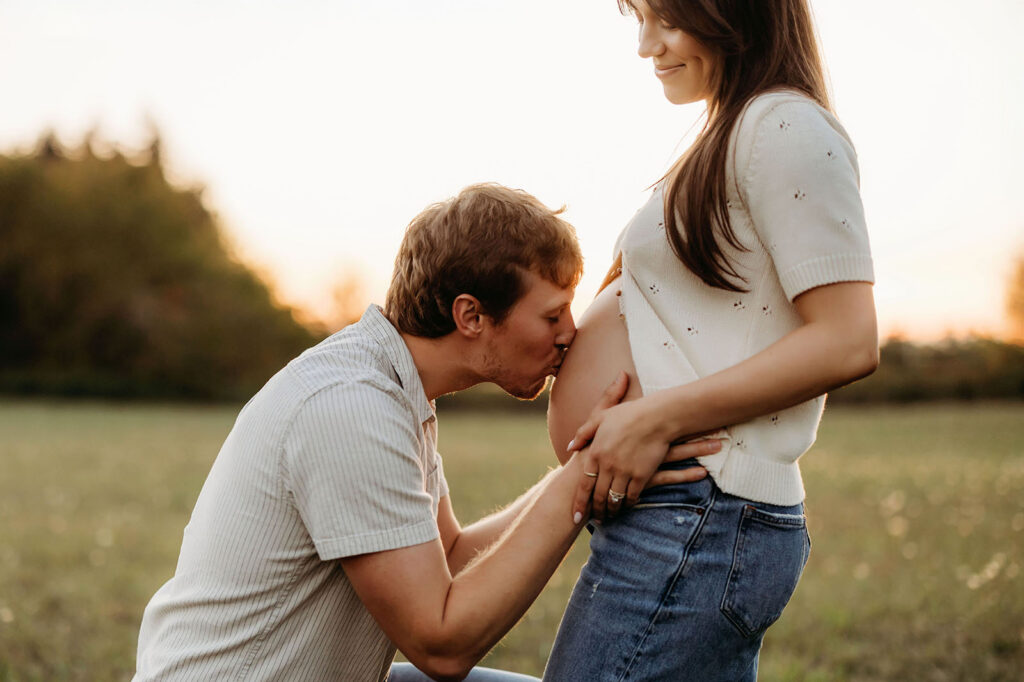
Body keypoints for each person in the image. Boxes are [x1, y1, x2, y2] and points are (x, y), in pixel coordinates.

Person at [131, 183, 716, 682]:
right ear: (471, 316)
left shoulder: (391, 386)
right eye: (551, 314)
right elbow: (441, 645)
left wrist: (582, 470)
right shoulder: (351, 409)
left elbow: (452, 556)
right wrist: (585, 478)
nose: (570, 333)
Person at [543, 0, 878, 679]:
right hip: (682, 518)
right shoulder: (732, 131)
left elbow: (848, 340)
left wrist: (652, 418)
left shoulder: (783, 126)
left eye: (665, 18)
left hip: (701, 514)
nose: (646, 45)